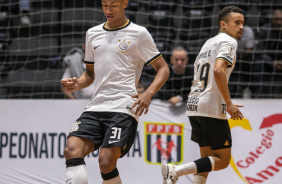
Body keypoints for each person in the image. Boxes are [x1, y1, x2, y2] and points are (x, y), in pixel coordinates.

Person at [61, 0, 170, 184]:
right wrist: (77, 84)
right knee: (71, 149)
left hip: (123, 107)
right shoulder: (92, 33)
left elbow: (164, 69)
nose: (108, 10)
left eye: (113, 5)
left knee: (106, 161)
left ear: (125, 3)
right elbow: (89, 74)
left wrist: (148, 93)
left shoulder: (139, 33)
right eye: (104, 5)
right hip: (96, 105)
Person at [162, 6, 244, 184]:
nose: (241, 27)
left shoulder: (208, 43)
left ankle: (176, 172)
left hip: (194, 105)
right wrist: (229, 104)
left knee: (205, 161)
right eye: (237, 22)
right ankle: (175, 170)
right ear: (223, 24)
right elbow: (218, 70)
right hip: (211, 106)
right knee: (222, 161)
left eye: (243, 23)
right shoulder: (229, 42)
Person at [253, 9, 282, 98]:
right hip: (267, 61)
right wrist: (272, 62)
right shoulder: (264, 30)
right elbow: (260, 50)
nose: (279, 22)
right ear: (271, 19)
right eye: (276, 19)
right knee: (258, 63)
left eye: (281, 19)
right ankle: (258, 93)